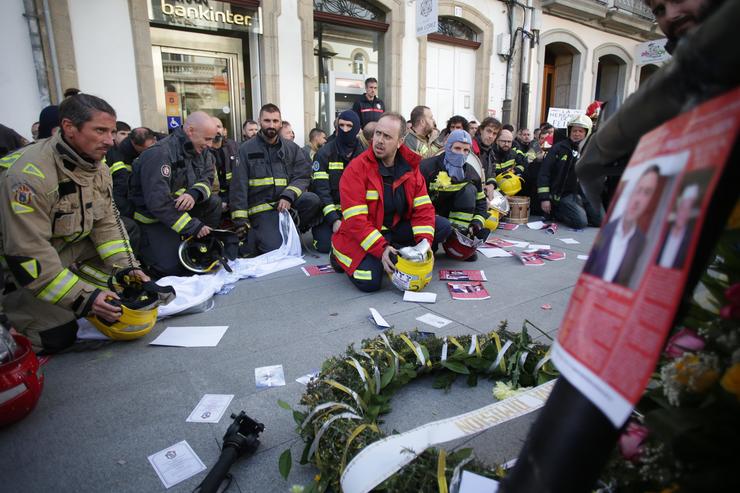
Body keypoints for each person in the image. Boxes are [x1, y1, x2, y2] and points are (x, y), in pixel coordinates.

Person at [0, 94, 147, 353]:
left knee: (128, 291)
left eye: (112, 131)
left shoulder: (97, 165)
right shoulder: (28, 177)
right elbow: (28, 255)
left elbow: (106, 225)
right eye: (100, 130)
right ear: (69, 128)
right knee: (55, 337)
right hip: (19, 268)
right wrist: (85, 298)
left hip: (63, 251)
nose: (110, 141)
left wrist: (129, 269)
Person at [331, 112, 450, 292]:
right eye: (378, 133)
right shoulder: (356, 169)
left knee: (442, 226)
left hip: (393, 230)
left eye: (387, 137)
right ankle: (338, 255)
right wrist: (381, 248)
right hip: (362, 233)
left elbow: (424, 209)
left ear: (400, 142)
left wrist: (424, 244)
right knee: (370, 281)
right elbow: (356, 221)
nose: (379, 140)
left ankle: (394, 251)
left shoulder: (410, 169)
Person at [130, 111, 222, 277]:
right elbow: (158, 203)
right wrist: (193, 226)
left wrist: (194, 193)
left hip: (181, 213)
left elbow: (208, 178)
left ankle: (202, 242)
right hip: (154, 219)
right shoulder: (160, 154)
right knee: (173, 270)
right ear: (190, 131)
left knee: (213, 202)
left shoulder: (203, 152)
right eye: (207, 139)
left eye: (212, 139)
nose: (210, 144)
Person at [229, 104, 321, 255]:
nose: (271, 125)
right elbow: (238, 187)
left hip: (286, 206)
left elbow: (303, 175)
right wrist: (241, 222)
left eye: (275, 121)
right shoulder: (245, 150)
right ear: (259, 121)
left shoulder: (291, 148)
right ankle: (273, 236)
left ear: (280, 122)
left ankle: (293, 231)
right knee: (274, 250)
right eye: (267, 121)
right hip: (262, 211)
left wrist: (288, 195)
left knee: (312, 200)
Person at [583, 165, 660, 287]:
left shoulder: (643, 243)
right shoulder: (606, 232)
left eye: (647, 193)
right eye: (638, 189)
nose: (638, 200)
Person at [420, 129, 489, 246]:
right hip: (430, 218)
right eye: (457, 148)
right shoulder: (427, 168)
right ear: (448, 147)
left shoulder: (472, 174)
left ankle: (458, 237)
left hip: (456, 218)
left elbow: (481, 204)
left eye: (466, 150)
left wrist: (477, 223)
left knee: (469, 190)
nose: (461, 154)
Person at [309, 110, 364, 253]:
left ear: (357, 128)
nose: (344, 130)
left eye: (349, 126)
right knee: (325, 246)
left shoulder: (364, 155)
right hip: (328, 214)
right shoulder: (324, 154)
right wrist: (334, 220)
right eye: (341, 125)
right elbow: (321, 191)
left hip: (355, 213)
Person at [538, 114, 603, 229]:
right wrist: (545, 198)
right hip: (564, 194)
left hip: (585, 193)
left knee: (601, 221)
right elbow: (544, 173)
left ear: (587, 133)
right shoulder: (558, 149)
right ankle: (558, 212)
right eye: (574, 131)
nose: (576, 134)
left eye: (580, 131)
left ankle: (581, 210)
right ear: (569, 132)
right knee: (580, 223)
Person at [657, 183, 698, 269]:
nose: (683, 213)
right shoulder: (662, 232)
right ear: (677, 209)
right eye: (682, 207)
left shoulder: (691, 240)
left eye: (688, 209)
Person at [209, 117, 239, 215]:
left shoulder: (233, 146)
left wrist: (229, 200)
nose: (216, 130)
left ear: (224, 130)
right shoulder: (202, 149)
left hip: (232, 195)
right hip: (211, 199)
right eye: (212, 127)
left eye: (218, 127)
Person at [474, 117, 502, 182]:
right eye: (489, 131)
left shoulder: (490, 150)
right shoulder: (471, 147)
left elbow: (492, 171)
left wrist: (491, 183)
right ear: (481, 130)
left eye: (494, 133)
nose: (491, 136)